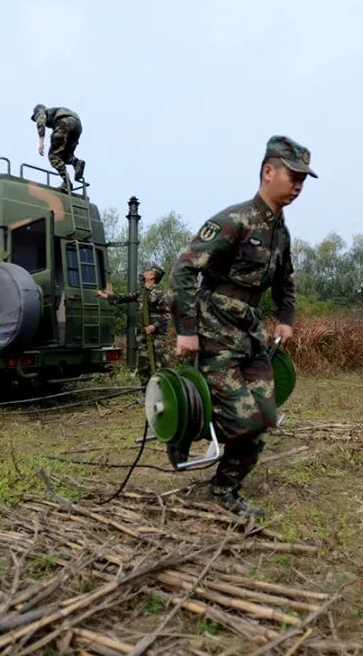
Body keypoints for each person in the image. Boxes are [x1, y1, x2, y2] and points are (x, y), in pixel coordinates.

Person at [170, 135, 317, 518]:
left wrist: (286, 319)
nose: (299, 185)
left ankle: (224, 489)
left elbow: (286, 280)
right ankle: (185, 430)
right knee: (242, 419)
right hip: (215, 330)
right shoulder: (234, 220)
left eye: (304, 179)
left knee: (264, 417)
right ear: (269, 172)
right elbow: (184, 269)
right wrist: (186, 329)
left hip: (250, 332)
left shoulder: (281, 232)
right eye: (293, 175)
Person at [96, 265, 171, 381]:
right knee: (143, 365)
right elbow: (124, 297)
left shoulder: (160, 293)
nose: (145, 272)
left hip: (158, 337)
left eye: (148, 271)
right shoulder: (141, 292)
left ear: (152, 276)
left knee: (161, 365)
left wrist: (154, 326)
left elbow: (167, 314)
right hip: (143, 335)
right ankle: (146, 394)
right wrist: (106, 296)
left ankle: (165, 393)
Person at [31, 104, 86, 191]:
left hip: (63, 121)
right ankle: (76, 162)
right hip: (77, 125)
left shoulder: (41, 111)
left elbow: (41, 122)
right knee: (64, 155)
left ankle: (67, 183)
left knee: (53, 156)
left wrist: (41, 142)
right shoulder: (54, 111)